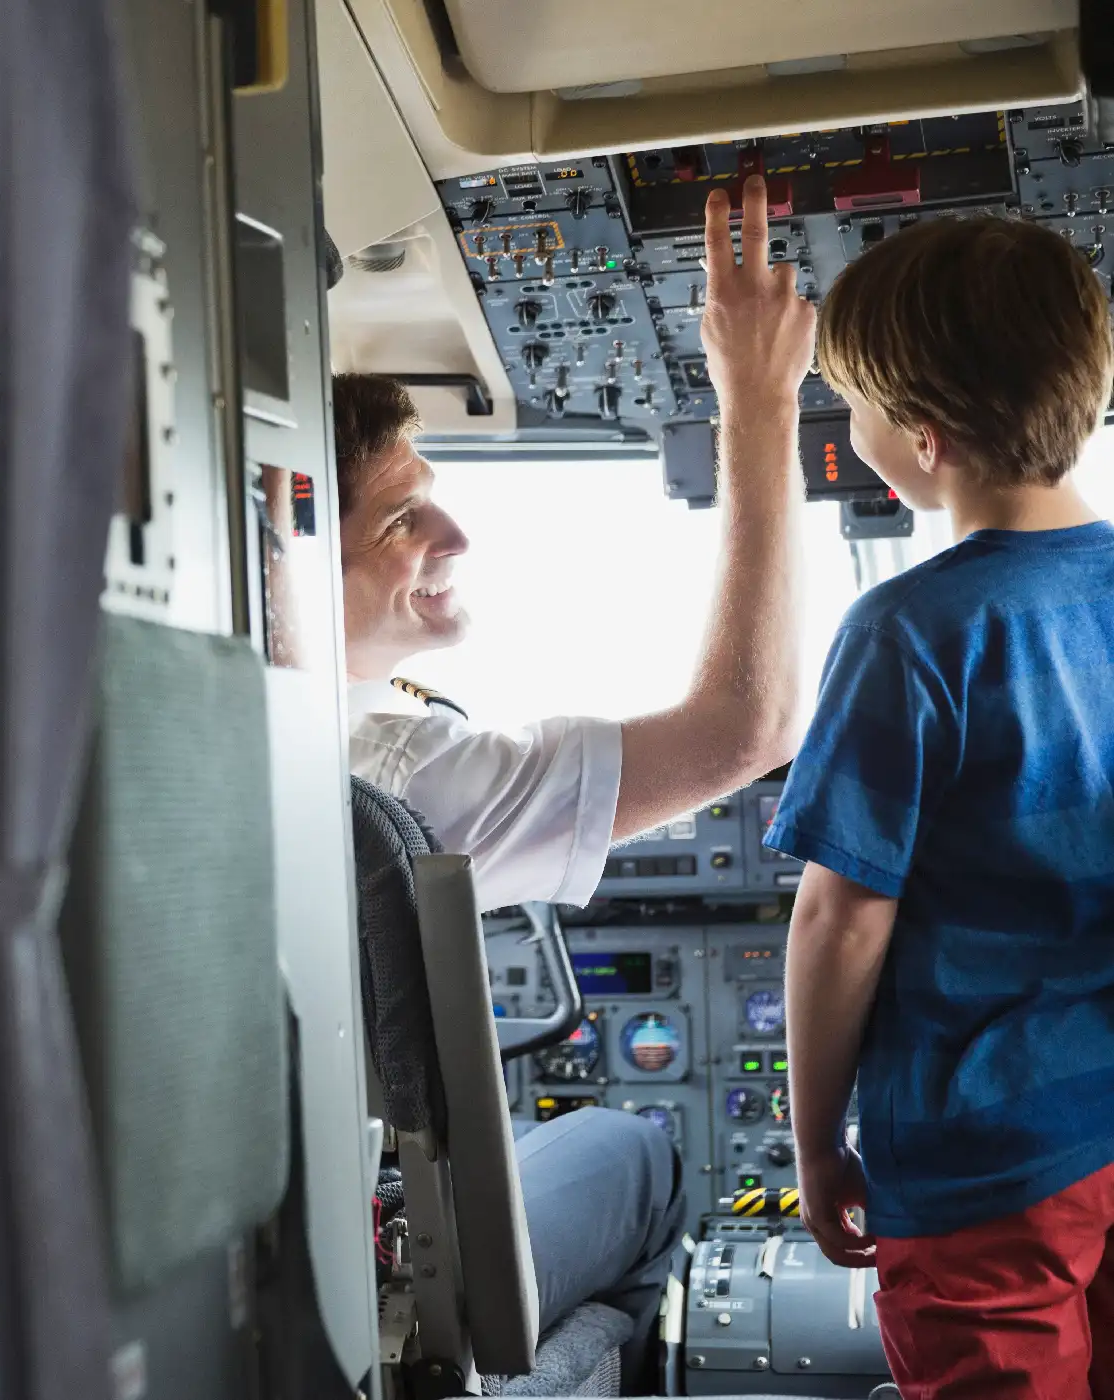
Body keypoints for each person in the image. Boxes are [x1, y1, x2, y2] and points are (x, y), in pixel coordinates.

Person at [339, 176, 815, 1379]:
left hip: (287, 1242)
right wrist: (758, 403)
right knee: (641, 1155)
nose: (454, 539)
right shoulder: (393, 769)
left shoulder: (213, 737)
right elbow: (751, 723)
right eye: (404, 521)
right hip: (346, 1267)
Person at [770, 215, 1114, 1398]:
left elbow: (839, 920)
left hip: (984, 1161)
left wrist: (817, 1146)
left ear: (921, 438)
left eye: (851, 403)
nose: (847, 428)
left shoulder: (909, 631)